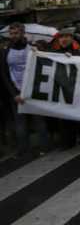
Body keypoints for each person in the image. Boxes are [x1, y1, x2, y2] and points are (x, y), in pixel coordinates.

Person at [0, 23, 50, 157]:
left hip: (33, 91)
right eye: (11, 34)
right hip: (16, 92)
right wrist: (14, 94)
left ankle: (44, 146)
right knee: (20, 123)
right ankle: (23, 148)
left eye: (16, 33)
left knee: (39, 120)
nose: (13, 36)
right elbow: (4, 73)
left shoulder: (32, 47)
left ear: (22, 33)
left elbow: (43, 67)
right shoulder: (5, 50)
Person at [50, 27, 80, 150]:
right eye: (62, 37)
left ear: (72, 38)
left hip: (78, 88)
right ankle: (69, 141)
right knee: (65, 117)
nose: (64, 39)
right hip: (63, 88)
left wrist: (73, 58)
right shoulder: (55, 51)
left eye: (67, 37)